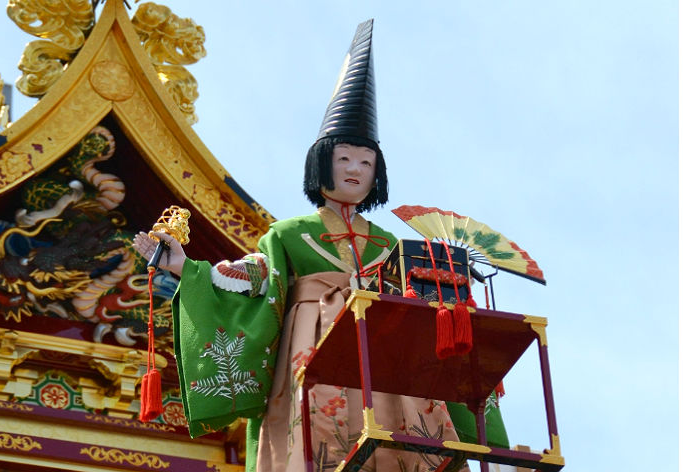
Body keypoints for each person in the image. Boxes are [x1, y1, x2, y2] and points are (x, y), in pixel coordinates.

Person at [134, 20, 470, 472]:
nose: (355, 169)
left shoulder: (390, 242)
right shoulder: (288, 234)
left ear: (378, 173)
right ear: (321, 165)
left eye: (366, 162)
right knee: (319, 433)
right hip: (314, 342)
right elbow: (258, 276)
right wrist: (188, 268)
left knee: (401, 427)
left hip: (383, 348)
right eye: (344, 158)